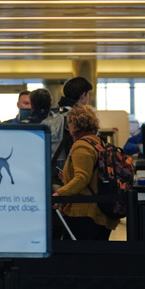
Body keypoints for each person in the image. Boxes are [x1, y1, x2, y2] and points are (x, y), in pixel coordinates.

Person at [53, 103, 119, 240]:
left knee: (76, 252)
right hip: (100, 212)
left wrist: (59, 194)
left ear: (75, 123)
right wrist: (67, 176)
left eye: (68, 124)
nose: (68, 127)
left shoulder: (81, 146)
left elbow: (82, 178)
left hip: (84, 213)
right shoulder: (98, 143)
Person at [43, 77, 94, 178]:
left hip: (51, 172)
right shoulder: (83, 120)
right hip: (73, 173)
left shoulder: (49, 118)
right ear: (83, 95)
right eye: (88, 94)